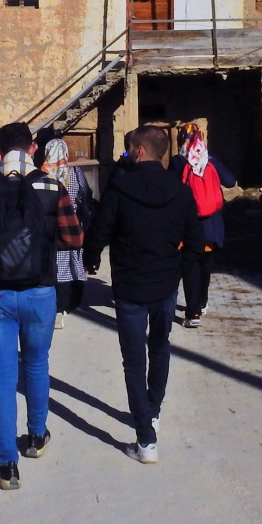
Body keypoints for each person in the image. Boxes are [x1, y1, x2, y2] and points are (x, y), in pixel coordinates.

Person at [0, 121, 83, 490]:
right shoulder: (51, 187)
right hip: (40, 292)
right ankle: (36, 436)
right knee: (37, 364)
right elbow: (75, 238)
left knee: (2, 376)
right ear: (32, 148)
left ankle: (7, 464)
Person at [84, 125, 202, 465]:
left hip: (130, 286)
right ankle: (153, 410)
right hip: (165, 286)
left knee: (134, 361)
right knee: (160, 348)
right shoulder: (180, 192)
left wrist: (89, 259)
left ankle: (145, 439)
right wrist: (178, 270)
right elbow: (195, 241)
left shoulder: (120, 187)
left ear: (138, 151)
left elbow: (99, 231)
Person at [168, 124, 236, 329]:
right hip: (212, 225)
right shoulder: (210, 160)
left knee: (190, 267)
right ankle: (202, 302)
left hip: (189, 225)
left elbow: (171, 189)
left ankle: (193, 312)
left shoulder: (178, 161)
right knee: (205, 265)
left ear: (182, 139)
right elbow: (231, 181)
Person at [43, 137, 94, 327]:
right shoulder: (75, 172)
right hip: (70, 222)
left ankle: (51, 306)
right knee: (68, 264)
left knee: (52, 263)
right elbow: (85, 194)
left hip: (48, 224)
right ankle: (63, 306)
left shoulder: (42, 172)